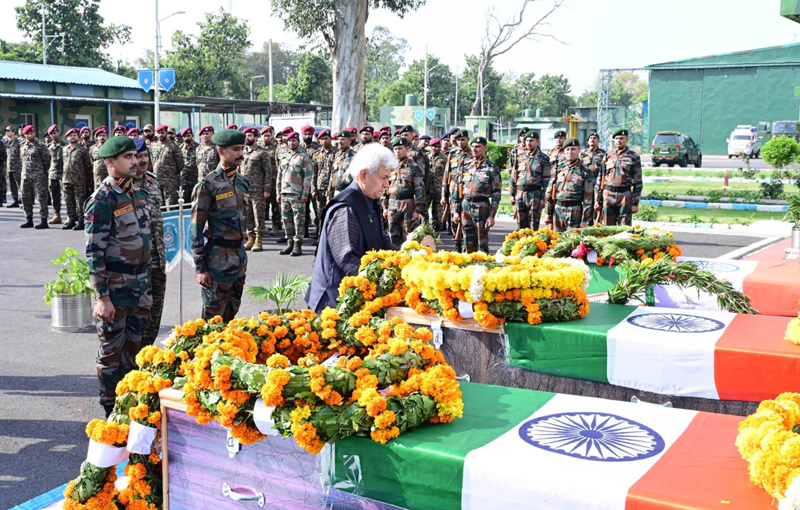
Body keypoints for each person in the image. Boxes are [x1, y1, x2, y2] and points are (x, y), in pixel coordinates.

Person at [85, 136, 152, 417]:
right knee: (111, 353)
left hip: (139, 286)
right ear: (110, 162)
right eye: (128, 157)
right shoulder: (102, 199)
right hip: (115, 288)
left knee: (135, 349)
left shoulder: (136, 193)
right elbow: (93, 253)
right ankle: (110, 409)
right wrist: (102, 297)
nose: (135, 161)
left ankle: (130, 404)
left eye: (135, 156)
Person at [305, 143, 399, 313]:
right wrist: (379, 283)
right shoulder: (346, 209)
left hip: (354, 296)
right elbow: (346, 258)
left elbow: (381, 240)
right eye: (384, 177)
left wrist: (407, 257)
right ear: (364, 175)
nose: (387, 184)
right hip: (333, 303)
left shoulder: (368, 200)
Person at [190, 129, 249, 321]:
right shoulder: (208, 184)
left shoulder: (241, 182)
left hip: (239, 257)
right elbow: (196, 229)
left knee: (232, 313)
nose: (241, 153)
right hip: (218, 259)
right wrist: (200, 268)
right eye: (236, 149)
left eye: (242, 148)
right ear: (221, 151)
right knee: (213, 318)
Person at [132, 138, 166, 347]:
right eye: (138, 156)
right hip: (136, 267)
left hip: (158, 262)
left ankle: (146, 359)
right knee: (137, 319)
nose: (143, 160)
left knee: (155, 317)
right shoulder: (122, 187)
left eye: (145, 155)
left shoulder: (153, 182)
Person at [458, 136, 501, 254]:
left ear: (485, 148)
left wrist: (492, 215)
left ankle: (483, 266)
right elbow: (458, 189)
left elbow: (496, 193)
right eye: (472, 146)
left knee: (482, 241)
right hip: (466, 206)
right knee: (467, 241)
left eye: (478, 147)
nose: (474, 149)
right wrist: (456, 211)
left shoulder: (491, 168)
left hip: (481, 207)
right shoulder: (466, 166)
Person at [595, 129, 642, 226]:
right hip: (608, 194)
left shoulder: (633, 157)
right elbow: (600, 178)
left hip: (624, 195)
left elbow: (638, 182)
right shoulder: (608, 156)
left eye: (621, 138)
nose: (619, 141)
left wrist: (635, 203)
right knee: (607, 227)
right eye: (616, 138)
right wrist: (597, 200)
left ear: (627, 140)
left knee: (624, 228)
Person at [277, 131, 314, 256]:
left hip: (297, 194)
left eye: (294, 140)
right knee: (286, 220)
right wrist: (278, 192)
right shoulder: (284, 156)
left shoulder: (303, 157)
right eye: (289, 141)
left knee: (299, 220)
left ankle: (298, 245)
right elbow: (279, 176)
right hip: (284, 193)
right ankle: (290, 243)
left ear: (298, 142)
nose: (291, 143)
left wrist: (305, 193)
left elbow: (308, 177)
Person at [546, 137, 594, 232]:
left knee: (572, 242)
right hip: (558, 209)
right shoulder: (558, 168)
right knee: (556, 240)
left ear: (579, 150)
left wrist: (584, 220)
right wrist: (548, 213)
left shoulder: (585, 171)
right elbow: (550, 191)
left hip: (574, 210)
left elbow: (588, 198)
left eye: (573, 149)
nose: (570, 152)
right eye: (567, 149)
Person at [384, 137, 424, 246]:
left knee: (409, 236)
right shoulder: (389, 166)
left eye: (400, 148)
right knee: (392, 235)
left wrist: (417, 210)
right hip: (392, 204)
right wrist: (384, 207)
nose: (397, 151)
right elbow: (384, 187)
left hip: (407, 204)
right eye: (395, 149)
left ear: (406, 149)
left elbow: (419, 190)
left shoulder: (414, 167)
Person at [509, 131, 551, 231]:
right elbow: (513, 176)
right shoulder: (520, 157)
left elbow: (546, 180)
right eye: (527, 140)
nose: (529, 143)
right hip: (520, 193)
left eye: (531, 140)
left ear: (537, 141)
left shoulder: (543, 158)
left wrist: (543, 198)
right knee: (520, 224)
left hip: (535, 193)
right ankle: (521, 245)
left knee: (533, 224)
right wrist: (512, 194)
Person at [240, 127, 272, 253]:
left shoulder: (262, 153)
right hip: (245, 189)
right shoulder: (243, 151)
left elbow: (268, 172)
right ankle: (250, 237)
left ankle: (259, 239)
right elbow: (239, 170)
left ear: (255, 137)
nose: (247, 138)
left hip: (258, 189)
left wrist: (267, 189)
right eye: (246, 135)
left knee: (258, 215)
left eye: (250, 135)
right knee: (247, 215)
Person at [441, 129, 472, 252]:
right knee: (455, 220)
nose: (460, 142)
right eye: (458, 140)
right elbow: (446, 175)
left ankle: (466, 247)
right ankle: (456, 247)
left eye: (462, 140)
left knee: (466, 221)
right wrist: (444, 195)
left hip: (466, 191)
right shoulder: (452, 154)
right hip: (453, 192)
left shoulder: (472, 153)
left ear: (467, 140)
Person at [20, 125, 52, 229]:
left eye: (32, 133)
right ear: (24, 135)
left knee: (41, 198)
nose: (30, 135)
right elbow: (22, 160)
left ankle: (44, 220)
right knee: (26, 198)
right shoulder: (23, 145)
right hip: (25, 176)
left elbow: (47, 160)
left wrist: (42, 172)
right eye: (28, 134)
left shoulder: (40, 146)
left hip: (38, 176)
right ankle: (29, 219)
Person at [61, 128, 93, 230]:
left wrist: (88, 182)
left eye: (75, 135)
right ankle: (71, 220)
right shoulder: (64, 149)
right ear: (67, 137)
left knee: (80, 203)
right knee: (69, 202)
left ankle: (80, 222)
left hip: (79, 181)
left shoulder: (82, 150)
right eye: (70, 135)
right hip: (66, 180)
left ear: (78, 137)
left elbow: (88, 167)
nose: (72, 137)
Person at [151, 124, 185, 205]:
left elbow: (180, 163)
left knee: (170, 204)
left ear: (166, 133)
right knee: (158, 204)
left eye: (162, 133)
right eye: (159, 133)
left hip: (170, 181)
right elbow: (152, 160)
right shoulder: (154, 145)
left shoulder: (174, 145)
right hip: (157, 179)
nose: (160, 135)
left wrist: (172, 173)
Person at [311, 129, 335, 239]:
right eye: (322, 139)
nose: (324, 141)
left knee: (333, 214)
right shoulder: (316, 154)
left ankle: (332, 237)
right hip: (320, 189)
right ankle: (321, 237)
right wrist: (313, 189)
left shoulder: (336, 153)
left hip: (333, 190)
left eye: (326, 138)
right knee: (320, 214)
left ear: (330, 139)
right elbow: (313, 173)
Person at [259, 126, 282, 237]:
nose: (266, 138)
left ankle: (276, 224)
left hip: (273, 179)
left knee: (275, 204)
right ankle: (261, 226)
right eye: (264, 136)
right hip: (260, 180)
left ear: (272, 136)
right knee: (262, 205)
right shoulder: (258, 148)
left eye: (268, 136)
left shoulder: (277, 147)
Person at [46, 124, 67, 225]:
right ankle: (57, 215)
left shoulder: (66, 145)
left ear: (58, 133)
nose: (54, 135)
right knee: (54, 196)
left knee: (67, 196)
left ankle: (70, 215)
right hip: (52, 174)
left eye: (55, 133)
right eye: (51, 134)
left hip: (64, 174)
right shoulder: (48, 147)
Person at [581, 131, 606, 215]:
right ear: (588, 141)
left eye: (595, 138)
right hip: (585, 183)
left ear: (598, 141)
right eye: (591, 138)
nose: (592, 140)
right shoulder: (583, 154)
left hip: (597, 183)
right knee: (586, 205)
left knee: (598, 205)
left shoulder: (603, 154)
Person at [328, 130, 356, 198]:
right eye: (338, 139)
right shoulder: (337, 155)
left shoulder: (355, 156)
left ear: (350, 141)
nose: (339, 142)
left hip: (349, 192)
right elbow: (333, 174)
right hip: (337, 192)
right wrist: (329, 193)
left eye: (343, 139)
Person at [428, 137, 447, 231]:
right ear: (431, 147)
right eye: (435, 146)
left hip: (438, 187)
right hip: (427, 187)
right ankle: (424, 226)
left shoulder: (444, 158)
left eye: (439, 146)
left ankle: (437, 226)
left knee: (438, 208)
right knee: (424, 207)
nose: (437, 148)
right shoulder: (426, 157)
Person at [4, 125, 22, 208]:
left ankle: (25, 201)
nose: (7, 132)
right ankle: (15, 201)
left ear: (13, 132)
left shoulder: (19, 142)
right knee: (12, 185)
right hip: (9, 167)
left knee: (20, 185)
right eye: (6, 131)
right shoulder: (6, 142)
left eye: (9, 131)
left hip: (18, 167)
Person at [179, 127, 198, 202]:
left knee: (194, 201)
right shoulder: (180, 148)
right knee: (183, 202)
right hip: (183, 180)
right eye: (184, 136)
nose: (186, 138)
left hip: (194, 179)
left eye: (188, 135)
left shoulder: (198, 147)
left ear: (192, 136)